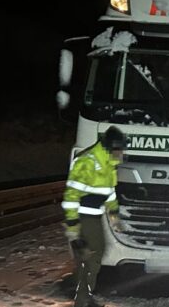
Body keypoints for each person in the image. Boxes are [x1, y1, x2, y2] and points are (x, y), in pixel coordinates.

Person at [62, 126, 127, 307]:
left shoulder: (107, 164)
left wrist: (114, 215)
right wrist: (73, 227)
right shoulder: (87, 162)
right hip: (84, 218)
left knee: (94, 255)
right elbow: (71, 196)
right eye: (119, 149)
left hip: (94, 218)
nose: (121, 153)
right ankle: (82, 300)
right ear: (110, 147)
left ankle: (81, 292)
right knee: (89, 257)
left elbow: (109, 192)